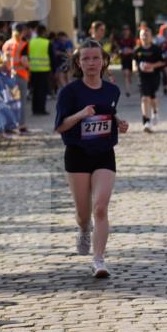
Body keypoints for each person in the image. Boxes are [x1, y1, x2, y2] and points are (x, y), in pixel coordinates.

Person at [54, 38, 128, 278]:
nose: (91, 63)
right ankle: (84, 229)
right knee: (84, 214)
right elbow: (60, 126)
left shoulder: (112, 90)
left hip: (104, 153)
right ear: (78, 62)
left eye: (96, 58)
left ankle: (98, 260)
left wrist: (119, 122)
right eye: (86, 58)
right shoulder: (69, 92)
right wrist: (81, 114)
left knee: (101, 207)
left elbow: (108, 114)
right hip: (77, 154)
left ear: (104, 61)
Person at [135, 27, 165, 131]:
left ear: (150, 36)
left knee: (152, 98)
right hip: (142, 78)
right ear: (139, 36)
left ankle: (155, 112)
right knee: (144, 98)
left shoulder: (156, 49)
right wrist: (139, 67)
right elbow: (134, 65)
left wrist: (151, 66)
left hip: (154, 77)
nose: (144, 37)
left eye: (146, 35)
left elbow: (162, 62)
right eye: (142, 35)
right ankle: (146, 121)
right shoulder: (137, 50)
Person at [2, 23, 30, 134]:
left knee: (9, 100)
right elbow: (24, 60)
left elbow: (4, 59)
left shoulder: (6, 44)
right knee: (21, 101)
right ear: (22, 31)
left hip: (8, 75)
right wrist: (29, 67)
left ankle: (9, 124)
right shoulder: (23, 44)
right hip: (21, 74)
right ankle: (21, 125)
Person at [28, 23, 51, 115]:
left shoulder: (31, 42)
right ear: (44, 32)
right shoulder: (46, 42)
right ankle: (41, 109)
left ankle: (34, 109)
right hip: (44, 70)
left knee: (35, 90)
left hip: (33, 69)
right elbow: (51, 57)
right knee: (42, 91)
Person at [118, 24, 136, 97]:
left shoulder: (132, 39)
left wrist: (130, 51)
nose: (126, 31)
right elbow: (117, 49)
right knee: (126, 74)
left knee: (129, 75)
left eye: (127, 30)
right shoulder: (120, 39)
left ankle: (129, 82)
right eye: (124, 30)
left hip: (131, 59)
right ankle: (127, 90)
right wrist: (121, 51)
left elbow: (135, 49)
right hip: (124, 59)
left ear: (129, 31)